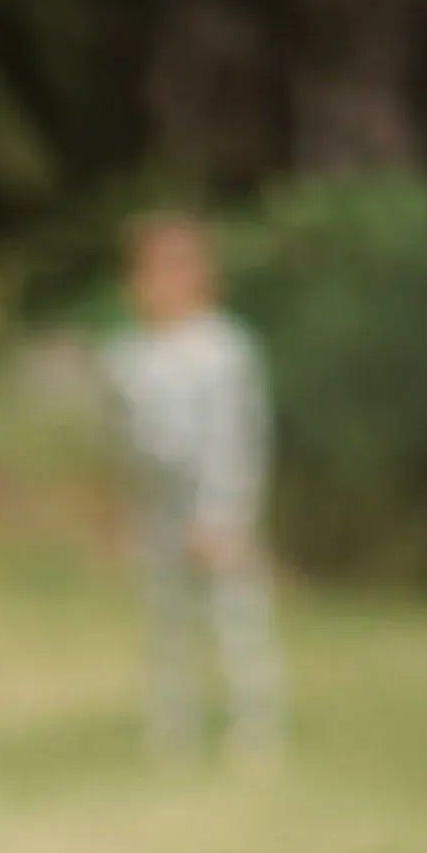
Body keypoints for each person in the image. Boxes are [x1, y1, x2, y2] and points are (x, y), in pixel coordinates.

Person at [99, 212, 282, 755]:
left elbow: (238, 438)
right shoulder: (128, 357)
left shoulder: (224, 350)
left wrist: (224, 515)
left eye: (176, 269)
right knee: (166, 626)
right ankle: (172, 731)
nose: (161, 284)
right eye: (150, 271)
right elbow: (119, 442)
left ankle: (254, 728)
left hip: (217, 510)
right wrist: (121, 512)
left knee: (234, 619)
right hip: (157, 510)